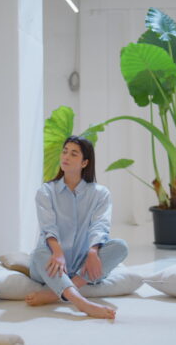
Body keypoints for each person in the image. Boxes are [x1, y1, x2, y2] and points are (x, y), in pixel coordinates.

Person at [25, 136, 128, 319]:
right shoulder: (46, 192)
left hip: (83, 265)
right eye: (65, 152)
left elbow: (100, 225)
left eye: (74, 154)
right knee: (41, 253)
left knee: (120, 246)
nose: (66, 157)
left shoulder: (100, 194)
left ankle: (54, 293)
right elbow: (48, 227)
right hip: (50, 266)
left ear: (84, 162)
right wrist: (57, 253)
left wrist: (93, 252)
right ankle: (81, 303)